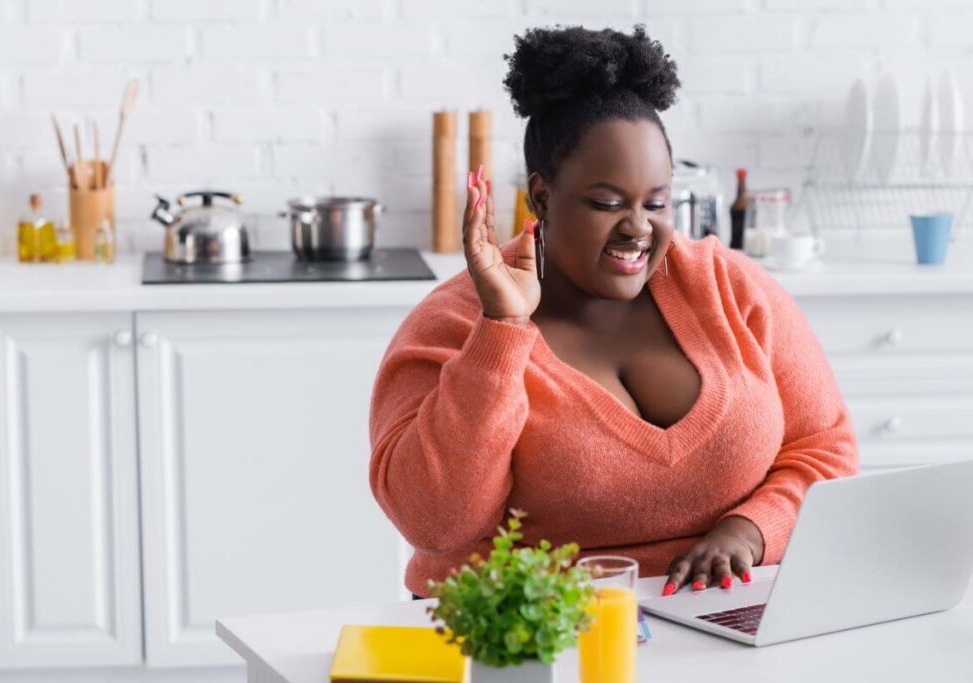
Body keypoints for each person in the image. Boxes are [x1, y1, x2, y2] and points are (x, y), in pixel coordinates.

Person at [368, 24, 858, 600]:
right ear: (543, 196)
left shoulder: (729, 286)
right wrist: (501, 332)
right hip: (526, 636)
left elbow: (825, 449)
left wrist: (750, 532)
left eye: (656, 202)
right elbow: (436, 523)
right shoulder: (451, 325)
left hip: (722, 613)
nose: (638, 227)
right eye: (607, 203)